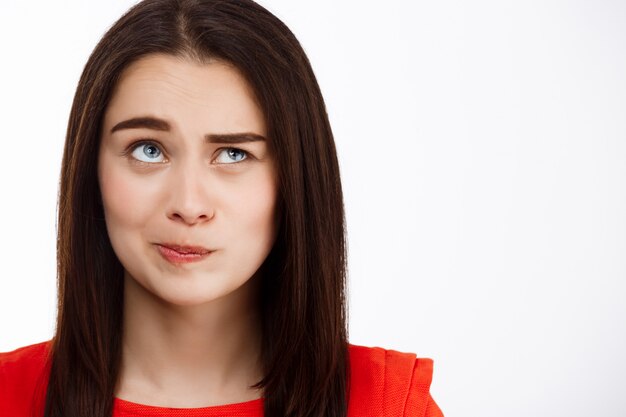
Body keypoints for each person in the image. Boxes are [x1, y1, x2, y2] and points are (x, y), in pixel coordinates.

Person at [0, 1, 443, 416]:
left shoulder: (386, 404)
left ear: (295, 179)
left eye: (233, 154)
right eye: (149, 150)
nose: (189, 205)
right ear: (89, 171)